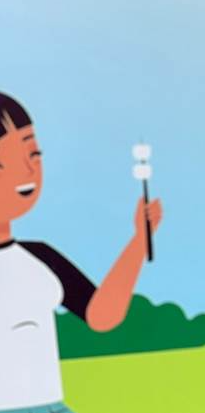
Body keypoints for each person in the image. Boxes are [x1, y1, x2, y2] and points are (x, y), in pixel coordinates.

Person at [0, 92, 162, 413]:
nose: (28, 171)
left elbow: (100, 315)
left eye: (33, 154)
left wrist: (139, 241)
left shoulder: (40, 257)